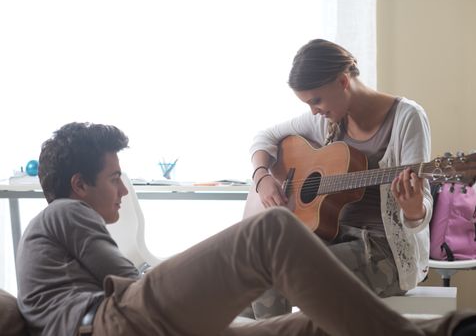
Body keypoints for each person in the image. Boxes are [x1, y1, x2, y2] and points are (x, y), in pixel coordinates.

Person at [15, 122, 476, 336]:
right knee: (270, 233)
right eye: (114, 177)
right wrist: (216, 282)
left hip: (142, 322)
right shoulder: (63, 212)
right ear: (79, 185)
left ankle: (454, 329)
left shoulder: (54, 233)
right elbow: (132, 284)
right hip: (115, 323)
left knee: (309, 325)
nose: (122, 190)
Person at [248, 38, 433, 319]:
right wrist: (262, 177)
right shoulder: (326, 119)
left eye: (316, 100)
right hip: (331, 239)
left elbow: (421, 208)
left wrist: (412, 208)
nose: (313, 111)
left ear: (343, 81)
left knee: (290, 271)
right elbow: (264, 137)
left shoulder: (407, 117)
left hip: (383, 252)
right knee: (259, 266)